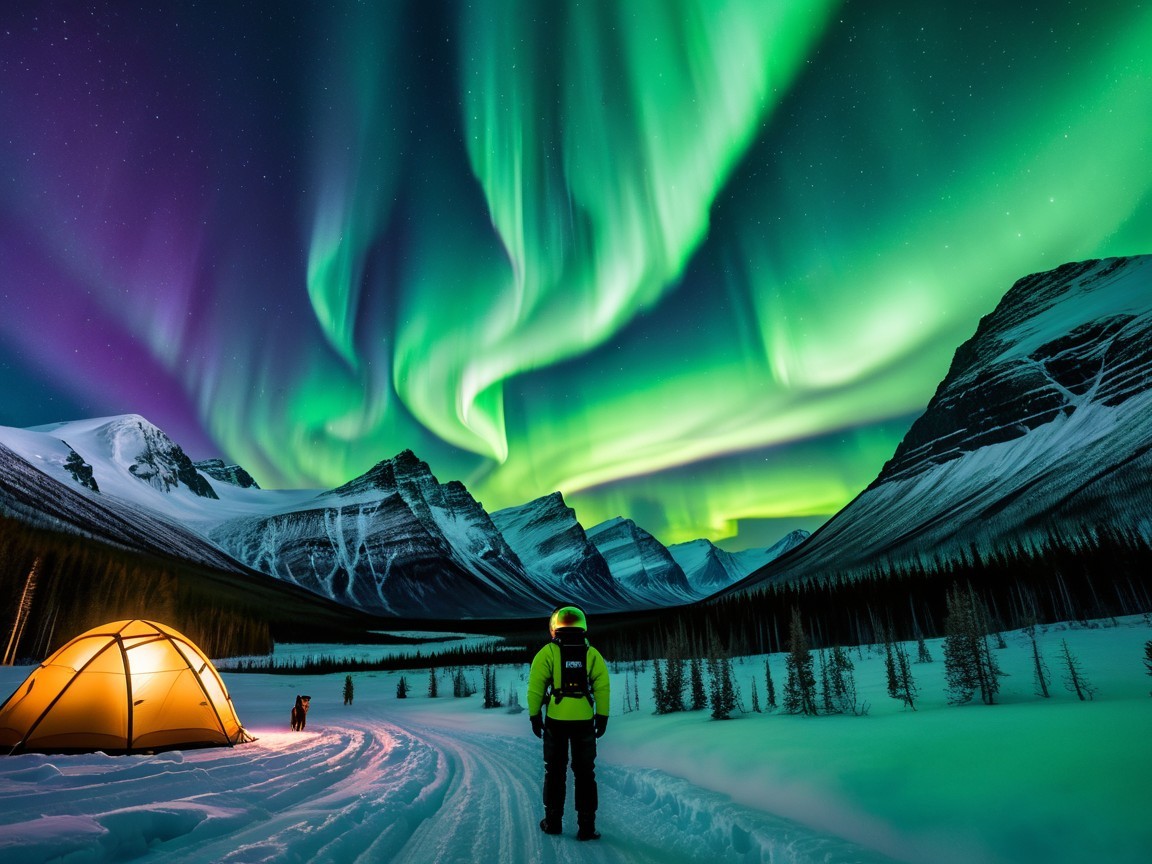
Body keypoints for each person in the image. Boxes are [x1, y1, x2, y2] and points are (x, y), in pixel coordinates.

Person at [527, 604, 610, 841]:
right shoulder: (591, 653)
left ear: (555, 626)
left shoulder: (548, 652)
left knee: (554, 771)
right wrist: (602, 716)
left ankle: (552, 822)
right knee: (585, 773)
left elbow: (536, 687)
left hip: (556, 721)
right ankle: (587, 827)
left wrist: (535, 715)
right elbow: (602, 686)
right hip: (584, 720)